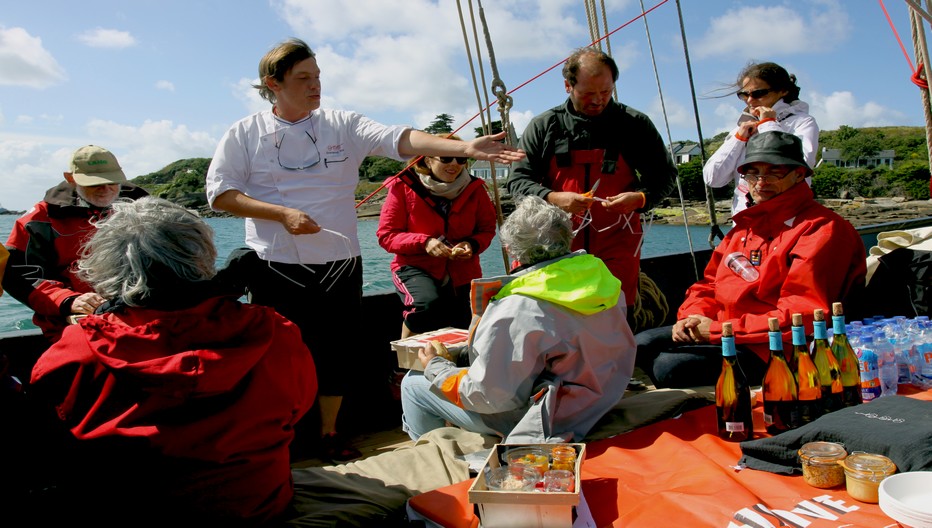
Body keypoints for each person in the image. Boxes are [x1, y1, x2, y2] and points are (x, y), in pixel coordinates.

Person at [204, 37, 524, 462]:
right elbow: (220, 194)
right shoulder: (244, 134)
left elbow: (401, 138)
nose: (316, 86)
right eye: (304, 79)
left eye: (318, 77)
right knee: (281, 357)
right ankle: (282, 439)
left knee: (340, 354)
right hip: (275, 265)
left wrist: (463, 148)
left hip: (340, 264)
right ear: (273, 83)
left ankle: (329, 434)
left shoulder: (341, 124)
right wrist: (280, 213)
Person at [27, 197, 317, 525]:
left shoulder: (78, 350)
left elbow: (51, 433)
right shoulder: (274, 332)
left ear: (106, 266)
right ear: (203, 253)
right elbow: (297, 408)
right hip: (254, 509)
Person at [635, 131, 866, 388]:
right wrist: (692, 317)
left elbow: (803, 313)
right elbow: (709, 285)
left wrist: (717, 330)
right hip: (728, 330)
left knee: (669, 367)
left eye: (773, 172)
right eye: (753, 173)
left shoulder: (822, 230)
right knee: (638, 345)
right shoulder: (745, 228)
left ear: (798, 175)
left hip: (778, 347)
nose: (760, 181)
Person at [399, 195, 636, 443]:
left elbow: (491, 396)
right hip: (601, 400)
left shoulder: (518, 308)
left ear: (512, 250)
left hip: (548, 418)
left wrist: (436, 368)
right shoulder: (602, 281)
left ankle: (433, 455)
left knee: (413, 384)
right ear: (568, 238)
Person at [507, 47, 678, 321]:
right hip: (553, 244)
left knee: (616, 316)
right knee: (551, 317)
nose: (598, 100)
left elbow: (665, 176)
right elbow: (517, 182)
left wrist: (641, 199)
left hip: (617, 242)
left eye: (606, 92)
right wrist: (553, 197)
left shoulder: (635, 125)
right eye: (588, 93)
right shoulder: (543, 126)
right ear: (568, 85)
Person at [2, 145, 148, 343]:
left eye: (112, 181)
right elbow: (18, 276)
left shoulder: (145, 206)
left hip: (141, 316)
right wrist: (67, 299)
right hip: (72, 325)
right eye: (94, 183)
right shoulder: (39, 220)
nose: (105, 189)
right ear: (71, 178)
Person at [377, 133, 498, 338]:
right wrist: (424, 242)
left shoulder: (476, 189)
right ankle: (404, 365)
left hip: (463, 270)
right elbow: (386, 235)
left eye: (461, 159)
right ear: (427, 159)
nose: (454, 164)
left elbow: (486, 229)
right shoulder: (402, 186)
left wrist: (471, 244)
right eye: (446, 158)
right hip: (414, 267)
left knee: (474, 316)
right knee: (426, 305)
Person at [703, 61, 819, 217]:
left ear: (783, 91)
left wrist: (768, 124)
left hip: (787, 220)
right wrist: (738, 139)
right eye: (744, 94)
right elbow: (713, 179)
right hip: (745, 225)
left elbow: (801, 168)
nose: (750, 100)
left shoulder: (803, 123)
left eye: (758, 93)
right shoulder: (741, 129)